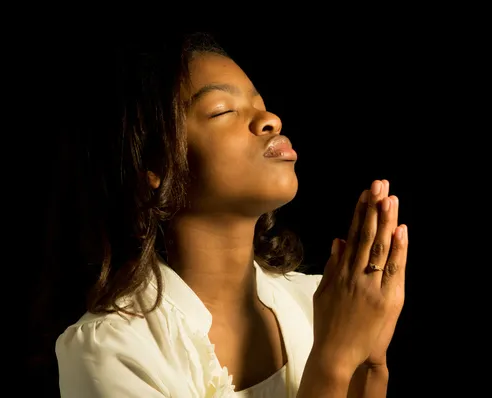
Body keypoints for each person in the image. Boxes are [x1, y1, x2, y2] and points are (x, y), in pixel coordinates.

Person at [54, 32, 409, 397]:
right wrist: (334, 361)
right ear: (152, 165)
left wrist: (370, 360)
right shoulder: (112, 350)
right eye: (223, 110)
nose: (270, 119)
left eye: (262, 105)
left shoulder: (320, 303)